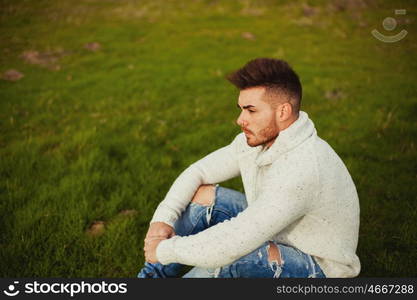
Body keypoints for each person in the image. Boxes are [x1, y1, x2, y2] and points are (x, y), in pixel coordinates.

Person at [137, 58, 360, 278]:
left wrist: (166, 250)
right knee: (201, 197)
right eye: (241, 109)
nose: (240, 119)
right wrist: (162, 220)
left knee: (228, 261)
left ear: (283, 112)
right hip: (275, 229)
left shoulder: (303, 167)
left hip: (316, 263)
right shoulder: (256, 140)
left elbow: (233, 243)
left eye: (251, 110)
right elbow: (199, 171)